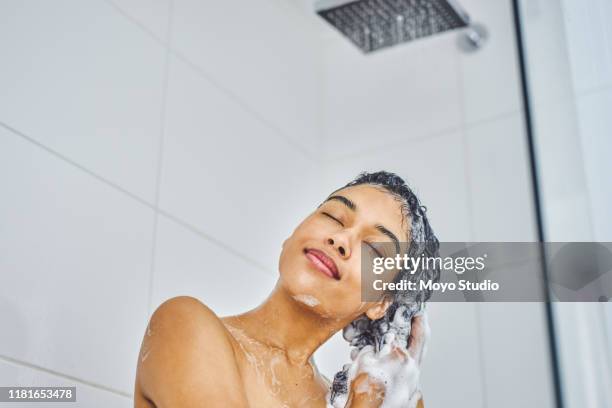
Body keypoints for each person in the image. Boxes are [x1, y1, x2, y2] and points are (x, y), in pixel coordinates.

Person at [134, 171, 439, 407]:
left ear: (379, 302)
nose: (341, 239)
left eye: (373, 247)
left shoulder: (348, 400)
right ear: (293, 235)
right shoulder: (186, 327)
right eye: (333, 216)